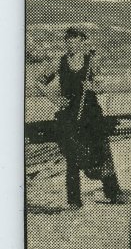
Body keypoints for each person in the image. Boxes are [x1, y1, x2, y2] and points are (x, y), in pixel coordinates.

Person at [39, 27, 125, 208]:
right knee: (72, 156)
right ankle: (74, 201)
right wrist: (55, 99)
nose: (71, 43)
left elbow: (102, 86)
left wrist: (92, 86)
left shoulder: (91, 61)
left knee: (102, 151)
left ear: (82, 41)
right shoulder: (59, 62)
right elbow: (39, 81)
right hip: (69, 115)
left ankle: (113, 192)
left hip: (91, 114)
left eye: (75, 39)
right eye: (68, 39)